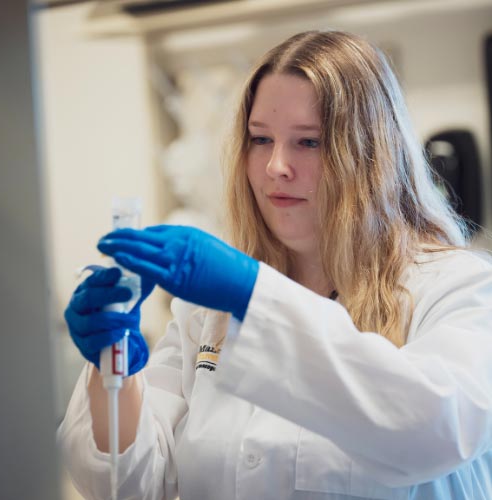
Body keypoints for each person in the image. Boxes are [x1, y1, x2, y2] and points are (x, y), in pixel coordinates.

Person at [58, 30, 492, 500]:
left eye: (308, 142)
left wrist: (250, 293)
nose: (276, 166)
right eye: (260, 139)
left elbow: (434, 430)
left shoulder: (458, 289)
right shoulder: (206, 313)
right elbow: (131, 484)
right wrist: (112, 369)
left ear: (372, 155)